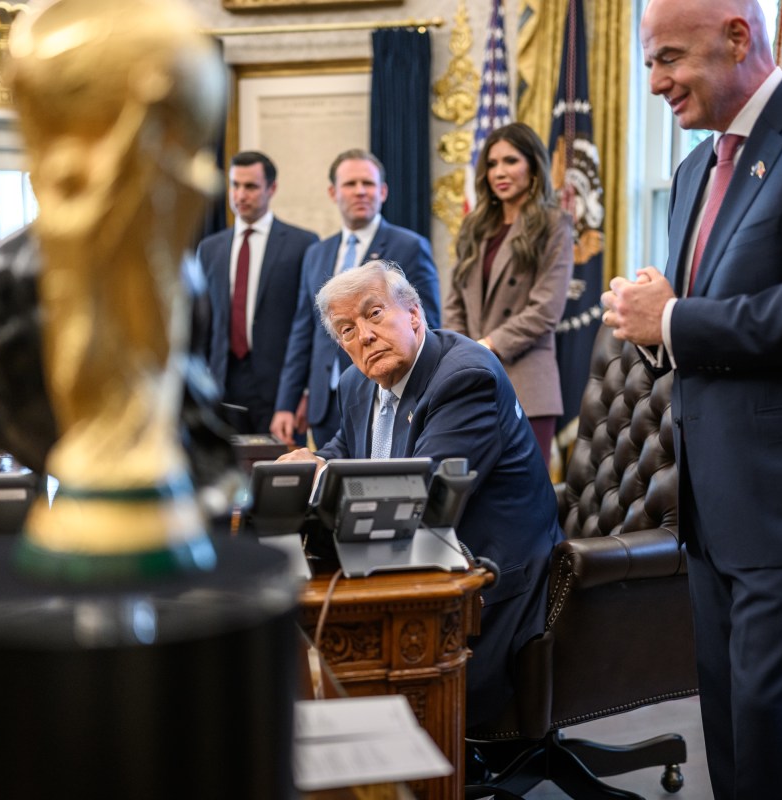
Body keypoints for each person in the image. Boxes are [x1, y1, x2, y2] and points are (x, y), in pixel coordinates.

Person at [600, 0, 782, 794]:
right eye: (650, 63)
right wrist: (660, 329)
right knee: (727, 730)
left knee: (770, 731)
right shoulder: (695, 167)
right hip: (708, 500)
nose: (657, 80)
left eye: (669, 58)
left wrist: (671, 317)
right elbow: (702, 326)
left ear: (739, 37)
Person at [281, 261, 560, 728]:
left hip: (487, 584)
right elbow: (344, 448)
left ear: (413, 313)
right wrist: (314, 462)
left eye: (374, 314)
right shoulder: (357, 383)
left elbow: (419, 495)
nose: (364, 336)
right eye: (347, 330)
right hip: (416, 565)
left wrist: (328, 480)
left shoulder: (464, 376)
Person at [272, 149, 441, 449]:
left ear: (383, 191)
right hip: (324, 406)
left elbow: (427, 324)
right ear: (333, 192)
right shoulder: (316, 253)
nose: (360, 191)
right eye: (350, 184)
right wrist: (288, 401)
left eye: (369, 183)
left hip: (389, 393)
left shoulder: (410, 246)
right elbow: (303, 332)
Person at [444, 122, 573, 466]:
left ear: (533, 167)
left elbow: (546, 310)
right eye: (492, 163)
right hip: (469, 381)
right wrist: (460, 352)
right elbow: (455, 299)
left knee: (524, 495)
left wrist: (484, 347)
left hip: (526, 383)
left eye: (511, 161)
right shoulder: (475, 226)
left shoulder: (554, 224)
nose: (499, 172)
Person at [198, 151, 318, 435]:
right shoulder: (210, 248)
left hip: (281, 390)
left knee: (281, 475)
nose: (240, 195)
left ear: (271, 189)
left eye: (250, 186)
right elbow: (203, 319)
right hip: (222, 385)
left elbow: (314, 324)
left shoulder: (303, 244)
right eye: (234, 185)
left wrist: (306, 391)